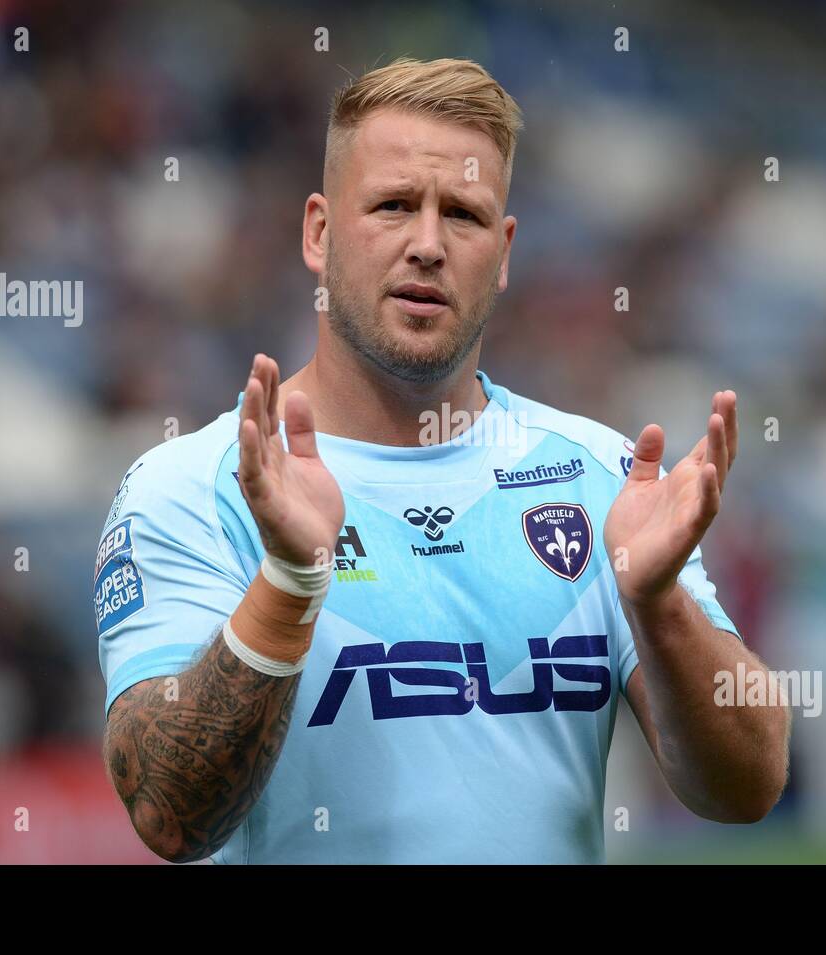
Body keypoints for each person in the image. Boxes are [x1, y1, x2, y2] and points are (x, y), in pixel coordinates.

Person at [96, 56, 789, 864]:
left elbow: (749, 787)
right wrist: (288, 585)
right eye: (393, 205)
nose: (427, 244)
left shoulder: (604, 479)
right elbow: (169, 815)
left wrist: (658, 603)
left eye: (462, 214)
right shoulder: (192, 488)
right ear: (318, 232)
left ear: (502, 252)